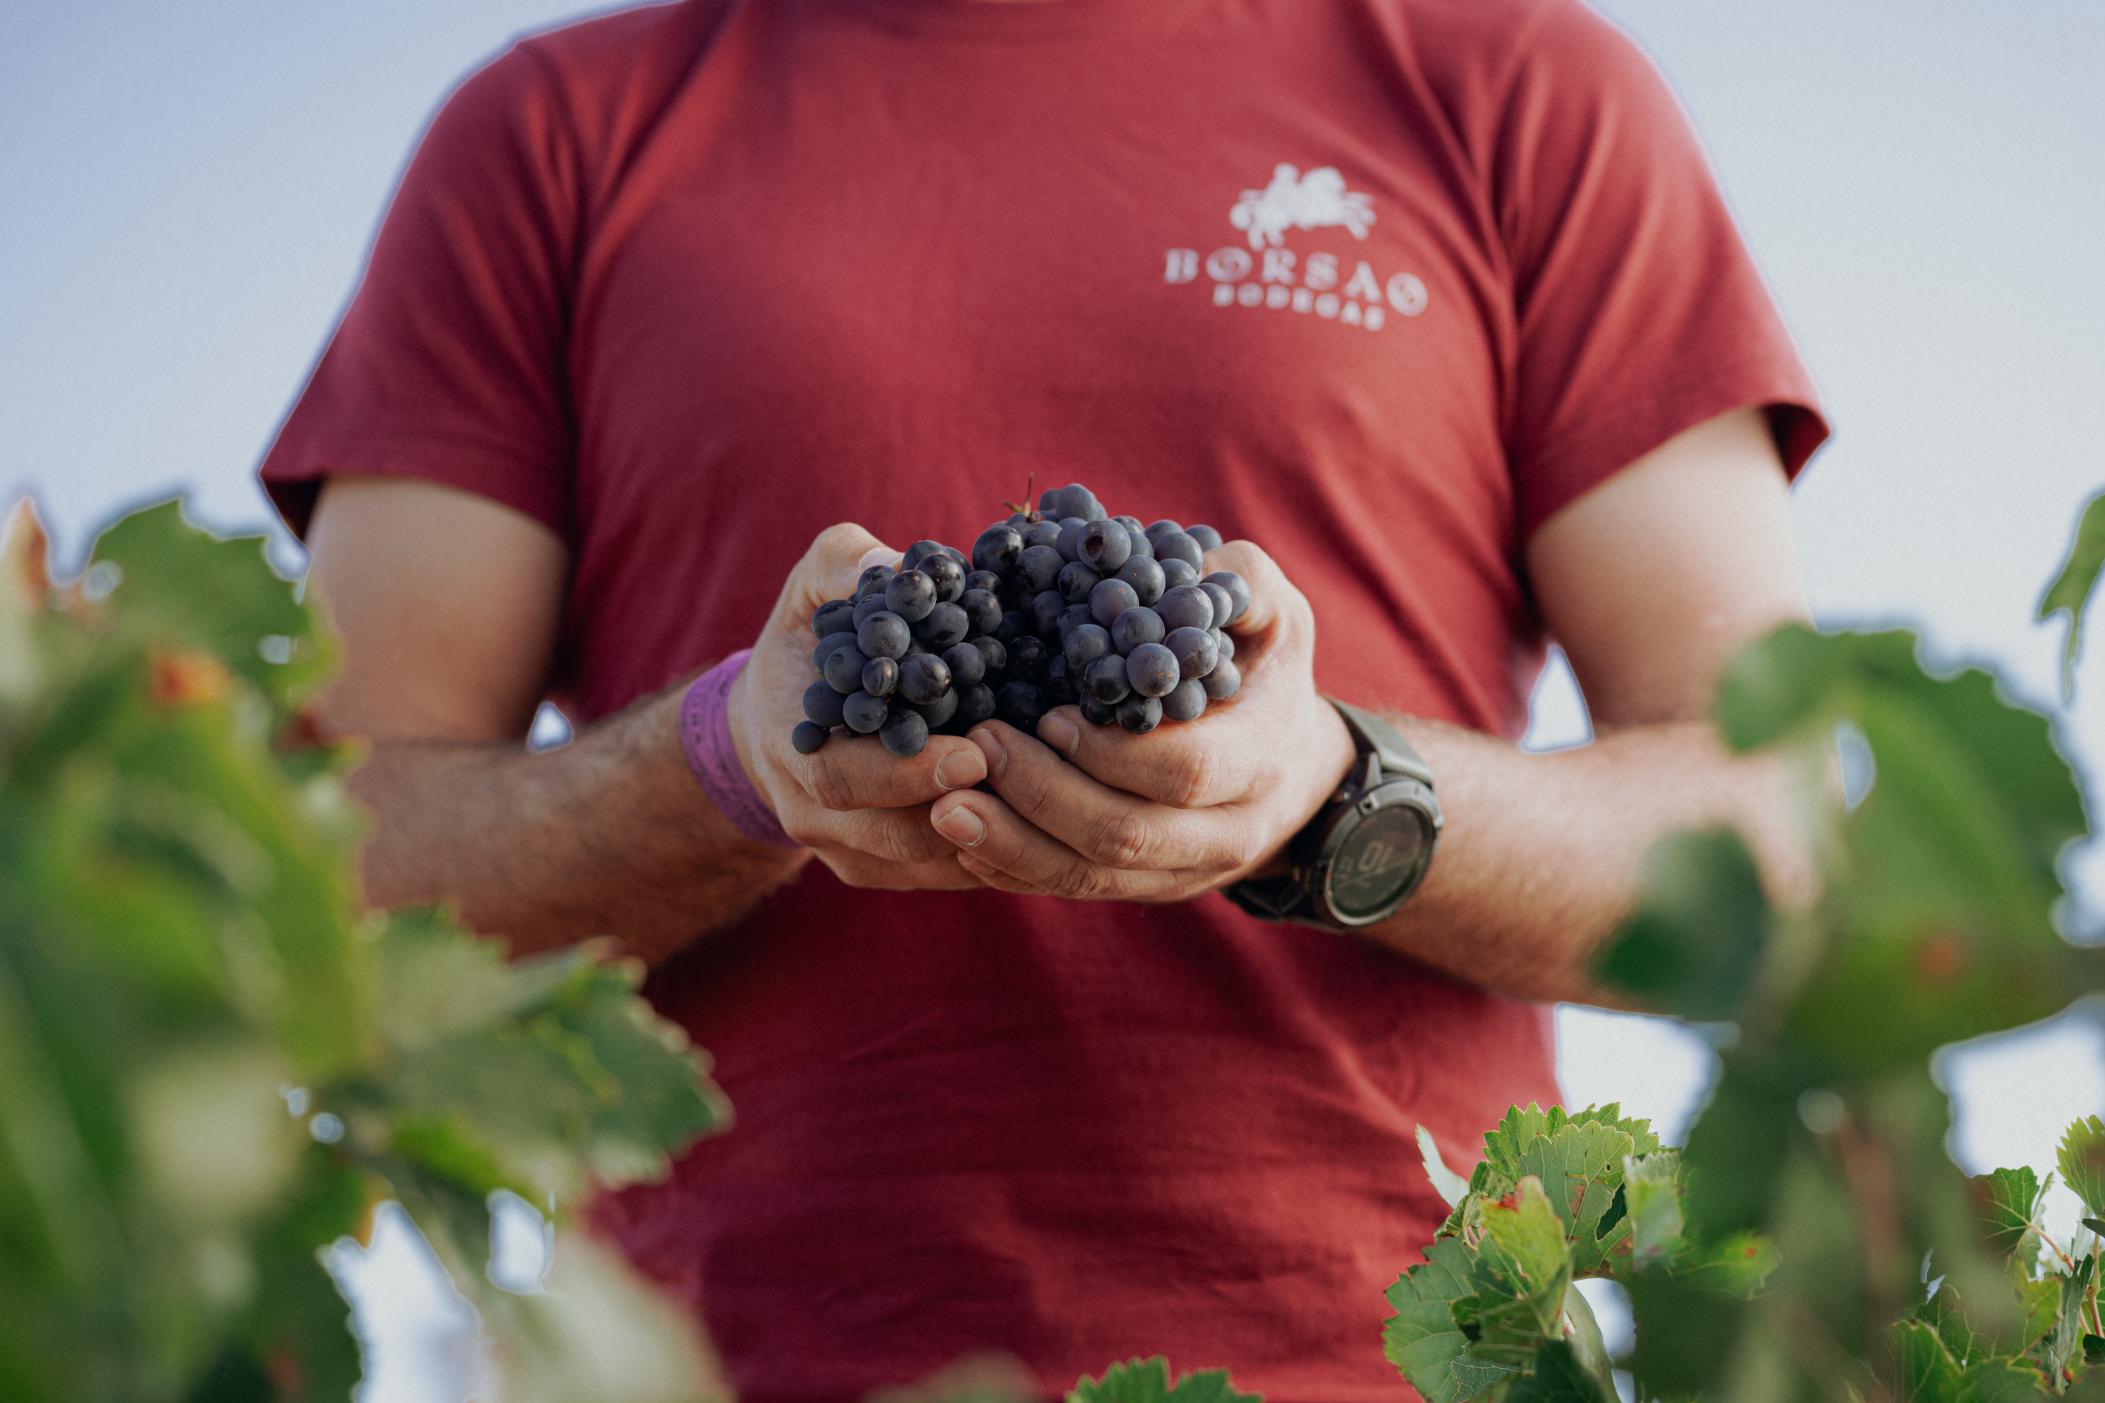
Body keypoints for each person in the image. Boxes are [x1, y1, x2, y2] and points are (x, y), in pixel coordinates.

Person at [258, 0, 1829, 1397]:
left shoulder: (1520, 90)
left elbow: (1769, 840)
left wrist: (1333, 793)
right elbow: (321, 891)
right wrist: (724, 765)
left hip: (1389, 1368)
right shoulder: (551, 133)